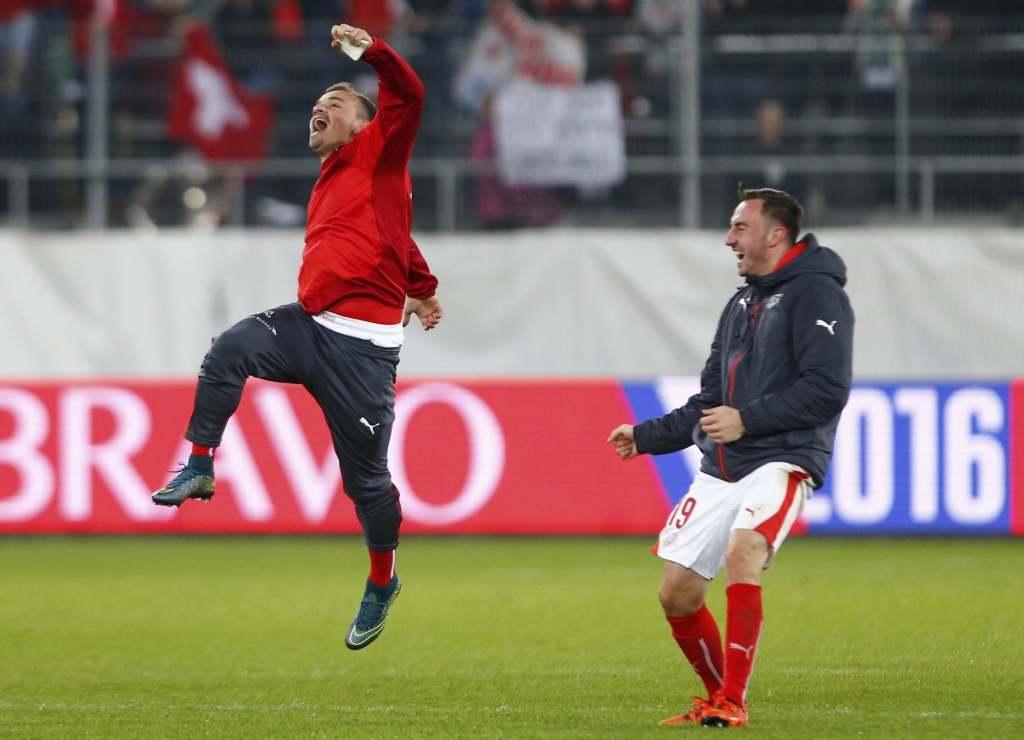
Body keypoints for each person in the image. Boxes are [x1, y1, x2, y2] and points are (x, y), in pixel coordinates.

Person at [151, 24, 443, 652]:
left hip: (362, 353)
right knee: (229, 347)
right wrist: (423, 285)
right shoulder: (339, 176)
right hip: (309, 326)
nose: (322, 109)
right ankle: (200, 466)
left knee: (366, 486)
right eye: (319, 104)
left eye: (337, 105)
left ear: (367, 125)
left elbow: (411, 94)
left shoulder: (379, 151)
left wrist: (371, 53)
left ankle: (381, 580)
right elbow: (395, 235)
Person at [608, 188, 853, 727]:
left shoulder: (817, 294)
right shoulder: (742, 301)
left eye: (740, 227)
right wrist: (647, 436)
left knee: (745, 550)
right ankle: (718, 696)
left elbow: (828, 388)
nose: (729, 238)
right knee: (677, 593)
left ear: (776, 234)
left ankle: (733, 702)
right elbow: (710, 398)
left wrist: (750, 419)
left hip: (782, 456)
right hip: (723, 464)